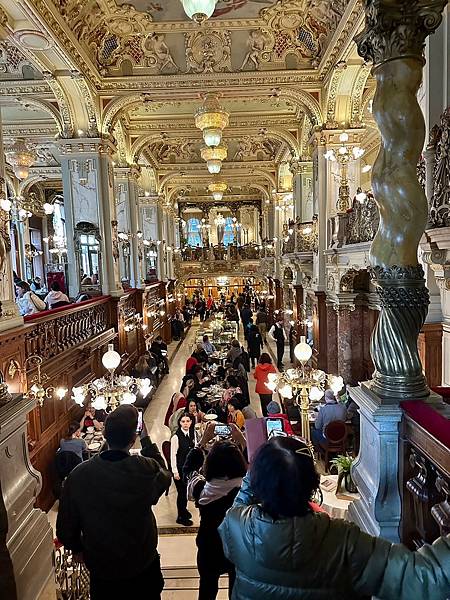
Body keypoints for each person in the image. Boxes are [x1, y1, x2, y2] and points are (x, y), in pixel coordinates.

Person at [219, 435, 450, 599]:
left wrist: (256, 475)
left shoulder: (236, 526)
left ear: (259, 483)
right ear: (312, 483)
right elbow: (423, 577)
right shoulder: (343, 540)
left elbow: (238, 508)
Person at [56, 405, 171, 599]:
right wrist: (147, 440)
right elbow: (165, 475)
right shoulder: (145, 468)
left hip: (103, 571)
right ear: (133, 438)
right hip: (142, 566)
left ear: (104, 434)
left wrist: (77, 548)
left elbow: (65, 527)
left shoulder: (79, 475)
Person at [185, 441, 247, 600]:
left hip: (209, 546)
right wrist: (243, 441)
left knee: (207, 586)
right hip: (237, 545)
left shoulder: (201, 489)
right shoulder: (246, 491)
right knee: (236, 589)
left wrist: (200, 444)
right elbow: (257, 466)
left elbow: (188, 470)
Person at [170, 412, 195, 526]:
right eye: (183, 421)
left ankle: (184, 510)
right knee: (181, 493)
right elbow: (173, 455)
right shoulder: (176, 437)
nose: (185, 424)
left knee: (185, 492)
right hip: (179, 469)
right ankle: (180, 516)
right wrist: (175, 471)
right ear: (179, 423)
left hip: (187, 468)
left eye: (188, 421)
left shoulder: (192, 433)